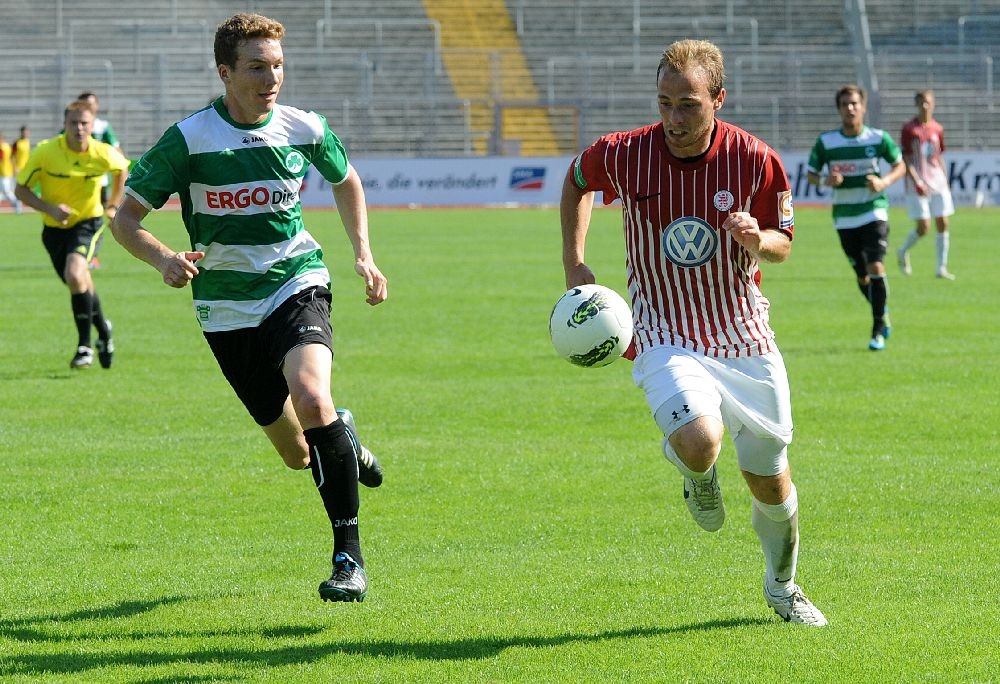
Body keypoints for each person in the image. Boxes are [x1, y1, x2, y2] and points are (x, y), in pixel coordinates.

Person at [111, 13, 388, 603]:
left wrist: (363, 254)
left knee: (313, 397)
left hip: (296, 281)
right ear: (225, 73)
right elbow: (125, 218)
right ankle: (344, 437)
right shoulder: (188, 140)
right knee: (296, 453)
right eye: (258, 67)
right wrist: (163, 258)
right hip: (225, 307)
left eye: (278, 65)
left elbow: (347, 180)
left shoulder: (302, 127)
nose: (272, 78)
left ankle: (348, 556)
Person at [560, 39, 827, 627]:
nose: (674, 119)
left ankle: (782, 585)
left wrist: (757, 241)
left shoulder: (756, 160)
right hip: (663, 330)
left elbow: (784, 243)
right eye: (664, 103)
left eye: (688, 105)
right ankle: (696, 473)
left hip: (744, 337)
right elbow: (576, 179)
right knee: (701, 441)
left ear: (718, 100)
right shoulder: (626, 153)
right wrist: (575, 261)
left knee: (771, 483)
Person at [14, 100, 128, 369]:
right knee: (79, 282)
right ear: (64, 125)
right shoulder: (46, 151)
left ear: (92, 125)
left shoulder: (102, 152)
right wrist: (49, 208)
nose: (79, 128)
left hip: (88, 223)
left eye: (84, 123)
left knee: (76, 274)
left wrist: (112, 206)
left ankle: (84, 346)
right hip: (53, 230)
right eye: (73, 123)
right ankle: (104, 331)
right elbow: (21, 190)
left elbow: (122, 169)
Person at [807, 85, 906, 351]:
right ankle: (882, 313)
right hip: (844, 217)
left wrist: (883, 182)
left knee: (876, 266)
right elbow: (811, 174)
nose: (850, 108)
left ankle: (876, 330)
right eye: (845, 105)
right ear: (839, 109)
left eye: (854, 104)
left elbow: (900, 165)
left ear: (863, 107)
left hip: (873, 211)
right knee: (863, 277)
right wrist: (827, 180)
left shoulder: (877, 138)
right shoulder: (827, 142)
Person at [896, 90, 956, 280]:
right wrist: (916, 181)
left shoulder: (938, 128)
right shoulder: (909, 129)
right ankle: (903, 251)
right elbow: (905, 158)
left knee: (943, 222)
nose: (924, 106)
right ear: (916, 104)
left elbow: (939, 156)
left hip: (938, 180)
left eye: (927, 102)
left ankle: (941, 268)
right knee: (924, 227)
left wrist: (945, 179)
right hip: (917, 182)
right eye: (921, 102)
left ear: (933, 104)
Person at [77, 91, 121, 269]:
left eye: (91, 103)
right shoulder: (73, 125)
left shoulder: (102, 126)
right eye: (84, 103)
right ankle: (81, 252)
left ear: (97, 106)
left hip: (99, 183)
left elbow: (116, 150)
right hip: (75, 182)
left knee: (98, 219)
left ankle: (91, 254)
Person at [0, 132, 21, 213]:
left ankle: (16, 203)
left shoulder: (2, 148)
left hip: (4, 172)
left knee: (6, 191)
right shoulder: (7, 146)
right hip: (6, 171)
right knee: (2, 192)